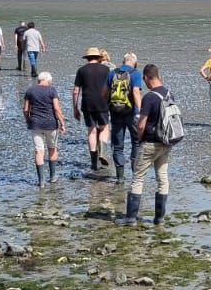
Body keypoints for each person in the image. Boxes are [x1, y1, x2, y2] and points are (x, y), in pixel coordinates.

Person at [123, 63, 178, 225]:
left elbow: (141, 124)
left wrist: (140, 138)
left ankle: (131, 217)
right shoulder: (169, 94)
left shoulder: (149, 97)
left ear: (146, 78)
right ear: (158, 75)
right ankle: (159, 218)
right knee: (162, 178)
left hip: (150, 143)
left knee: (138, 178)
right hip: (166, 142)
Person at [73, 48, 114, 171]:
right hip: (103, 102)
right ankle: (102, 152)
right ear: (98, 57)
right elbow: (111, 87)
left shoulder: (81, 70)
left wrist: (75, 108)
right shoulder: (106, 69)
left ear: (87, 58)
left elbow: (76, 91)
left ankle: (93, 163)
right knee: (105, 128)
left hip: (87, 103)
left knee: (91, 131)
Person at [22, 71, 66, 186]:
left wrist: (28, 120)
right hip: (51, 124)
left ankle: (41, 181)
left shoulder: (30, 90)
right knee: (52, 149)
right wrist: (62, 123)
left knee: (39, 151)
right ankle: (52, 176)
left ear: (39, 80)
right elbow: (56, 109)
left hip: (35, 124)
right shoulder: (52, 90)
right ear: (48, 80)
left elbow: (26, 109)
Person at [107, 52, 143, 181]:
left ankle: (120, 178)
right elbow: (135, 92)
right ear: (134, 62)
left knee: (118, 145)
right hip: (131, 112)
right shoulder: (136, 73)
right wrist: (140, 111)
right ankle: (135, 175)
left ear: (124, 61)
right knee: (137, 142)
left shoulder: (112, 73)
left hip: (115, 112)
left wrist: (107, 107)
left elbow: (105, 92)